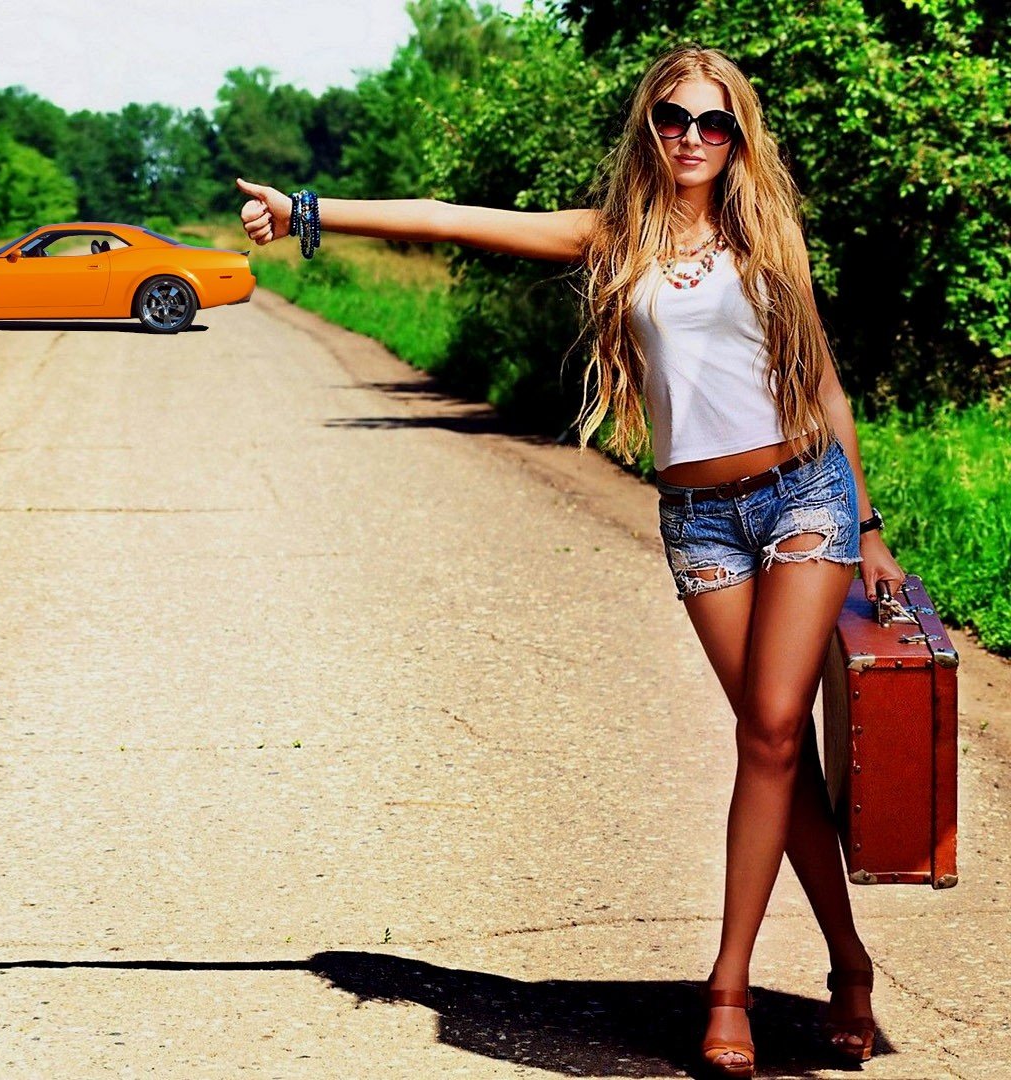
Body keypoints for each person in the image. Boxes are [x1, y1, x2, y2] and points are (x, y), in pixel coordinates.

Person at [234, 43, 907, 1079]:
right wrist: (309, 210)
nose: (692, 137)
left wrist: (867, 529)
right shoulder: (613, 240)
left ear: (739, 138)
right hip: (700, 518)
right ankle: (850, 967)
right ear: (649, 128)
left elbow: (825, 385)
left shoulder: (770, 236)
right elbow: (454, 217)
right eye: (674, 119)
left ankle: (727, 986)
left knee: (771, 732)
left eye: (713, 123)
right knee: (777, 749)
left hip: (803, 497)